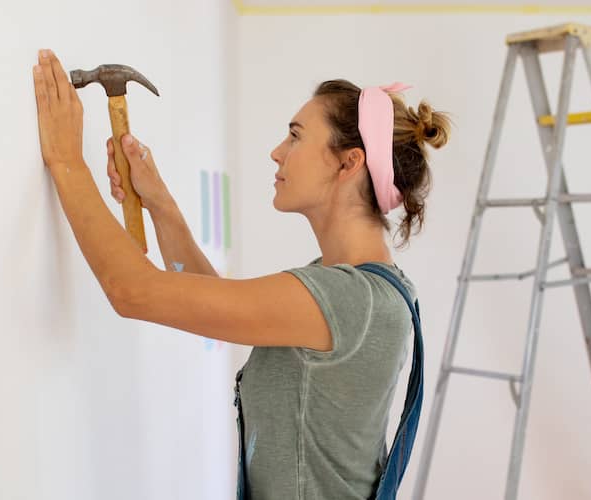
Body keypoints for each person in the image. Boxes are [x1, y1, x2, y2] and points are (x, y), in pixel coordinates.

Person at [31, 49, 451, 499]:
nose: (277, 152)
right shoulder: (360, 289)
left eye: (295, 136)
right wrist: (158, 202)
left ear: (348, 163)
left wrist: (68, 163)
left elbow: (133, 292)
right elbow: (213, 302)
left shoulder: (350, 299)